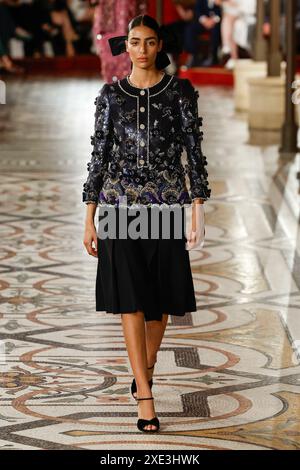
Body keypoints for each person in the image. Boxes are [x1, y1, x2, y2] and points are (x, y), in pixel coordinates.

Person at [82, 14, 211, 433]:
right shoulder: (110, 96)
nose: (140, 49)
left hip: (167, 207)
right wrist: (89, 217)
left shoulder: (180, 94)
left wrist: (198, 207)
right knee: (131, 301)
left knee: (159, 306)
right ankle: (145, 395)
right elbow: (99, 156)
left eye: (149, 42)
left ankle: (146, 367)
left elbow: (194, 150)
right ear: (125, 47)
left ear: (159, 46)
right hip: (119, 208)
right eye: (134, 42)